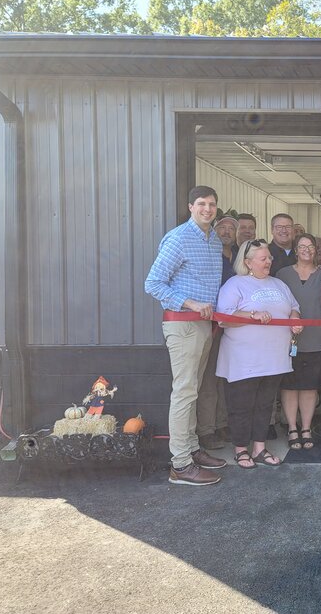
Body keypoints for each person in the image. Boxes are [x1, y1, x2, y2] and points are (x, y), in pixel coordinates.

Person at [144, 185, 227, 486]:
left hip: (205, 325)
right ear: (190, 206)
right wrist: (190, 303)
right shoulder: (179, 238)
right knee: (185, 391)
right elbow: (153, 283)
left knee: (193, 388)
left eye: (212, 204)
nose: (207, 209)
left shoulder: (214, 240)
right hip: (183, 324)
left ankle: (192, 449)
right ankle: (180, 464)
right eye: (202, 204)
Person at [216, 240, 303, 469]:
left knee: (265, 405)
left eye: (269, 258)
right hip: (244, 360)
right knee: (242, 405)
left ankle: (259, 448)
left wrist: (294, 318)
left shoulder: (278, 284)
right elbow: (224, 319)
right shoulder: (235, 285)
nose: (269, 262)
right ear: (247, 262)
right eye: (263, 259)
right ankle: (241, 449)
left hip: (274, 358)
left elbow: (294, 306)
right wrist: (251, 315)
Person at [277, 234, 321, 451]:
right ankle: (292, 427)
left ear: (316, 250)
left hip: (318, 338)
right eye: (302, 246)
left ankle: (306, 428)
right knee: (289, 386)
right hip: (286, 339)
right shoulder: (282, 275)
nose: (306, 250)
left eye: (311, 246)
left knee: (309, 386)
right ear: (295, 250)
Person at [195, 215, 239, 452]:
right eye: (222, 226)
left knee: (226, 378)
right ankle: (207, 429)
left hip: (233, 328)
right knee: (209, 379)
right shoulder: (210, 255)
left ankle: (223, 423)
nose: (226, 231)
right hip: (211, 323)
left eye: (232, 228)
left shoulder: (240, 258)